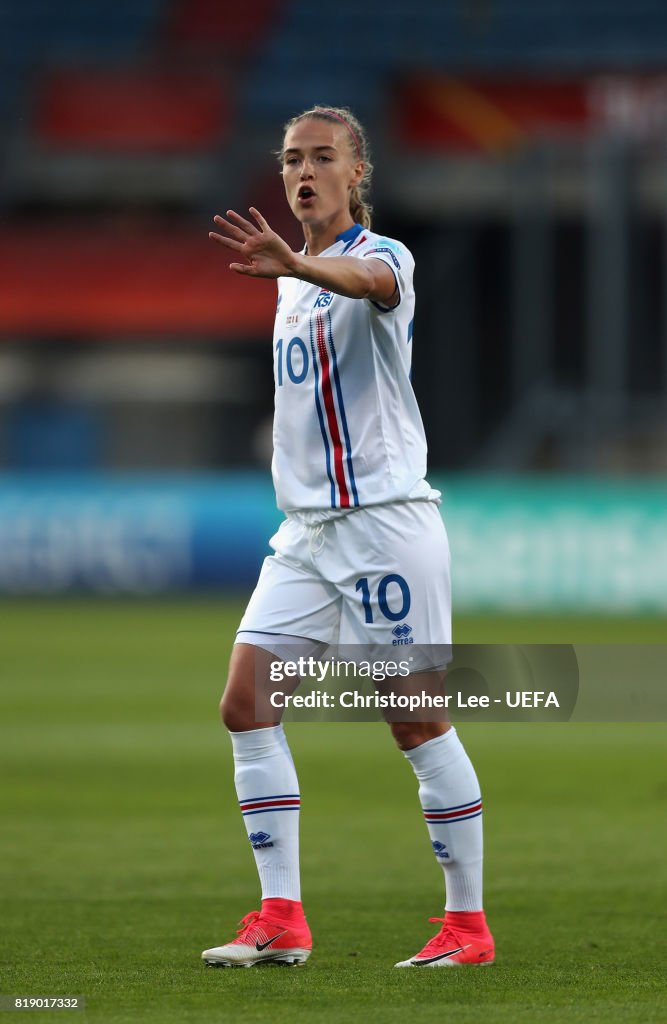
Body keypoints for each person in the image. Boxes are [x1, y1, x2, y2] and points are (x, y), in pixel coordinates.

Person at [201, 106, 494, 969]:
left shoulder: (380, 256)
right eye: (291, 157)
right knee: (245, 703)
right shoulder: (288, 280)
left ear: (355, 173)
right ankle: (281, 917)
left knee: (413, 721)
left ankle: (466, 928)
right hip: (306, 535)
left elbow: (371, 287)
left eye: (323, 157)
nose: (304, 171)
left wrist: (301, 263)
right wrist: (293, 268)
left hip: (384, 528)